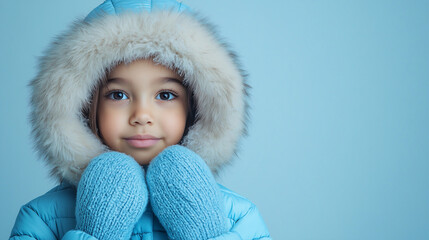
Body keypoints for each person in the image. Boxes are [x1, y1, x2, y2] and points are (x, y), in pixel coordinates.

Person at [10, 0, 271, 239]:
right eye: (118, 94)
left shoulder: (238, 218)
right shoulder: (42, 219)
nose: (142, 116)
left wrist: (207, 231)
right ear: (85, 106)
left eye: (166, 95)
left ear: (197, 106)